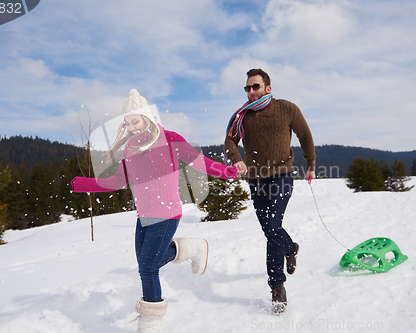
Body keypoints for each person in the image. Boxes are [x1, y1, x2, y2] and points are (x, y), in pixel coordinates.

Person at [72, 89, 238, 333]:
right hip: (144, 216)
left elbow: (198, 162)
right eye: (127, 123)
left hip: (168, 213)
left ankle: (150, 324)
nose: (132, 127)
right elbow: (119, 181)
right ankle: (191, 248)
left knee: (147, 269)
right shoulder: (129, 148)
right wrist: (89, 184)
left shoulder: (170, 139)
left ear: (147, 117)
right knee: (148, 264)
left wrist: (226, 171)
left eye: (135, 121)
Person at [224, 68, 316, 314]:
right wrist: (236, 159)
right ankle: (290, 248)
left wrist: (311, 164)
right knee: (269, 229)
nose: (251, 92)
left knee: (273, 228)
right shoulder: (241, 116)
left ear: (268, 88)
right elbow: (230, 141)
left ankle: (277, 286)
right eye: (247, 88)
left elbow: (305, 135)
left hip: (282, 175)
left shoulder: (287, 108)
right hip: (255, 179)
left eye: (255, 86)